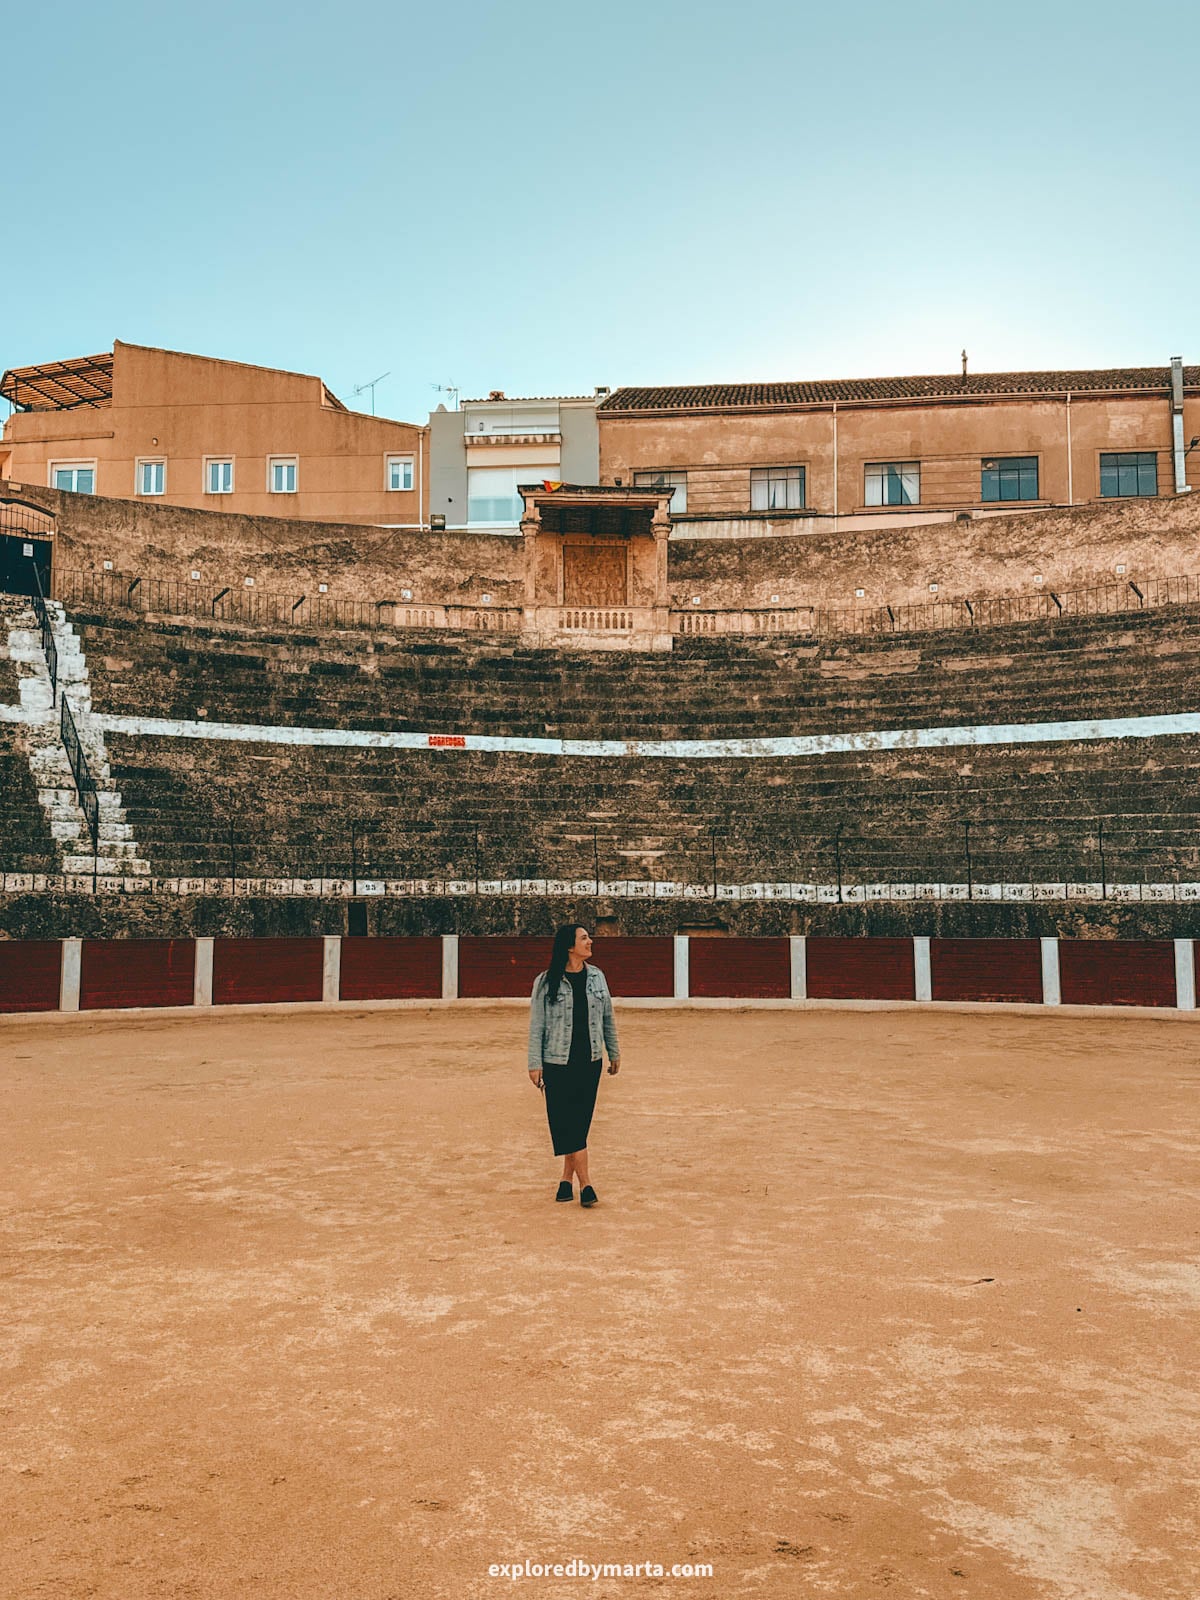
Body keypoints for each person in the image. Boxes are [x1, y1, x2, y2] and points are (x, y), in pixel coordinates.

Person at [527, 924, 620, 1207]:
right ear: (570, 946)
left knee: (577, 1124)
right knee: (569, 1124)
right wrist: (534, 1063)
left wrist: (614, 1052)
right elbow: (537, 1026)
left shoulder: (597, 977)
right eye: (584, 938)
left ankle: (566, 1182)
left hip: (590, 1060)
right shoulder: (545, 982)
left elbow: (607, 1019)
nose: (590, 941)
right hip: (556, 1061)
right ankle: (587, 1184)